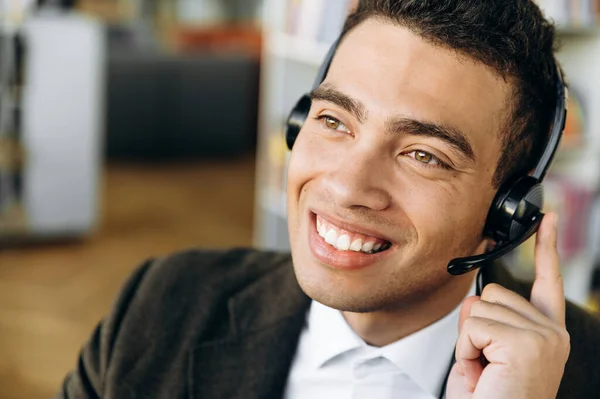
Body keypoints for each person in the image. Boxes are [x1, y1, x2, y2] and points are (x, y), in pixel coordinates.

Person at [58, 1, 600, 398]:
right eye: (334, 120)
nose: (346, 187)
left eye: (424, 155)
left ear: (508, 212)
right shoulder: (160, 304)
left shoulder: (586, 371)